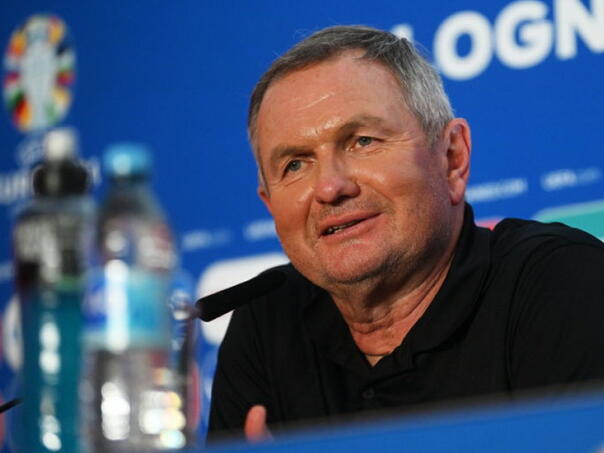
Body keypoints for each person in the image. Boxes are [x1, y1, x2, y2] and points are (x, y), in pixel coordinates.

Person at [207, 25, 604, 442]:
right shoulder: (267, 322)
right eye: (295, 165)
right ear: (270, 206)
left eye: (362, 141)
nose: (329, 187)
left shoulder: (563, 281)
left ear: (452, 158)